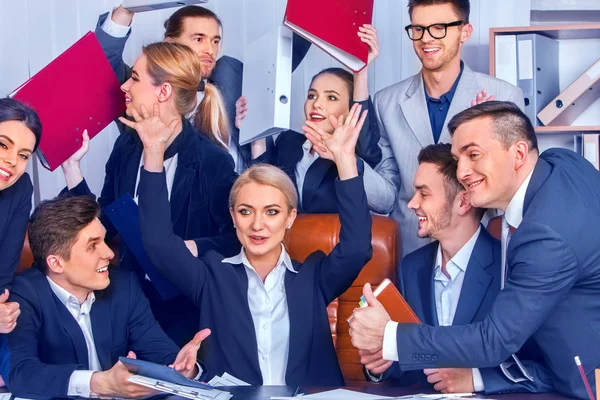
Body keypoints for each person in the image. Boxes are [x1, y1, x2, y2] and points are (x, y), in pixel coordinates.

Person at [349, 101, 600, 399]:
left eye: (474, 154)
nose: (464, 172)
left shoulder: (545, 236)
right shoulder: (561, 161)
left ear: (518, 154)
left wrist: (388, 335)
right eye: (459, 158)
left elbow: (494, 341)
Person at [132, 102, 372, 385]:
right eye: (246, 211)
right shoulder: (211, 276)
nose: (258, 225)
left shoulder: (313, 277)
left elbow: (356, 247)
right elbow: (159, 244)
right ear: (233, 217)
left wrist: (345, 160)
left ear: (290, 217)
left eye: (272, 212)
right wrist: (153, 151)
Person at [61, 42, 238, 347]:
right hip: (124, 304)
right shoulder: (126, 147)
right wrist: (72, 170)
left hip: (186, 313)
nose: (124, 85)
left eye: (134, 78)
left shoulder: (213, 162)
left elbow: (235, 239)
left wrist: (189, 247)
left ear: (163, 92)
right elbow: (107, 224)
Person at [314, 0, 524, 255]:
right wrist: (346, 159)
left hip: (480, 251)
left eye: (439, 28)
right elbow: (386, 198)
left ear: (465, 32)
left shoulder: (503, 96)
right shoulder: (386, 102)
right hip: (407, 249)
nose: (426, 39)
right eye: (418, 29)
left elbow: (516, 190)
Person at [362, 143, 552, 394]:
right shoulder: (412, 266)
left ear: (463, 202)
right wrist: (379, 363)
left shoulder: (512, 268)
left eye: (424, 193)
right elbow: (408, 363)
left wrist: (477, 378)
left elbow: (548, 370)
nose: (411, 204)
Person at [5, 195, 209, 399]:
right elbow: (21, 372)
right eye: (93, 246)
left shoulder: (124, 284)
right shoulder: (23, 294)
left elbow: (159, 351)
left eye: (104, 240)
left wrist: (185, 370)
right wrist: (97, 382)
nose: (109, 253)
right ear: (56, 263)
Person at [240, 25, 381, 213]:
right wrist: (254, 130)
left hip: (332, 241)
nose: (317, 104)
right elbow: (262, 188)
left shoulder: (354, 151)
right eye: (312, 95)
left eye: (331, 97)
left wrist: (361, 72)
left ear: (350, 111)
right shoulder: (288, 141)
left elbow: (362, 122)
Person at [97, 4, 249, 172]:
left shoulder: (230, 79)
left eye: (215, 41)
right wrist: (126, 10)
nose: (210, 50)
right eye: (198, 39)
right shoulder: (141, 91)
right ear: (171, 44)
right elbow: (102, 63)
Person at [0, 98, 42, 384]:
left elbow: (4, 272)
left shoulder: (20, 188)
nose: (13, 161)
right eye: (3, 145)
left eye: (24, 155)